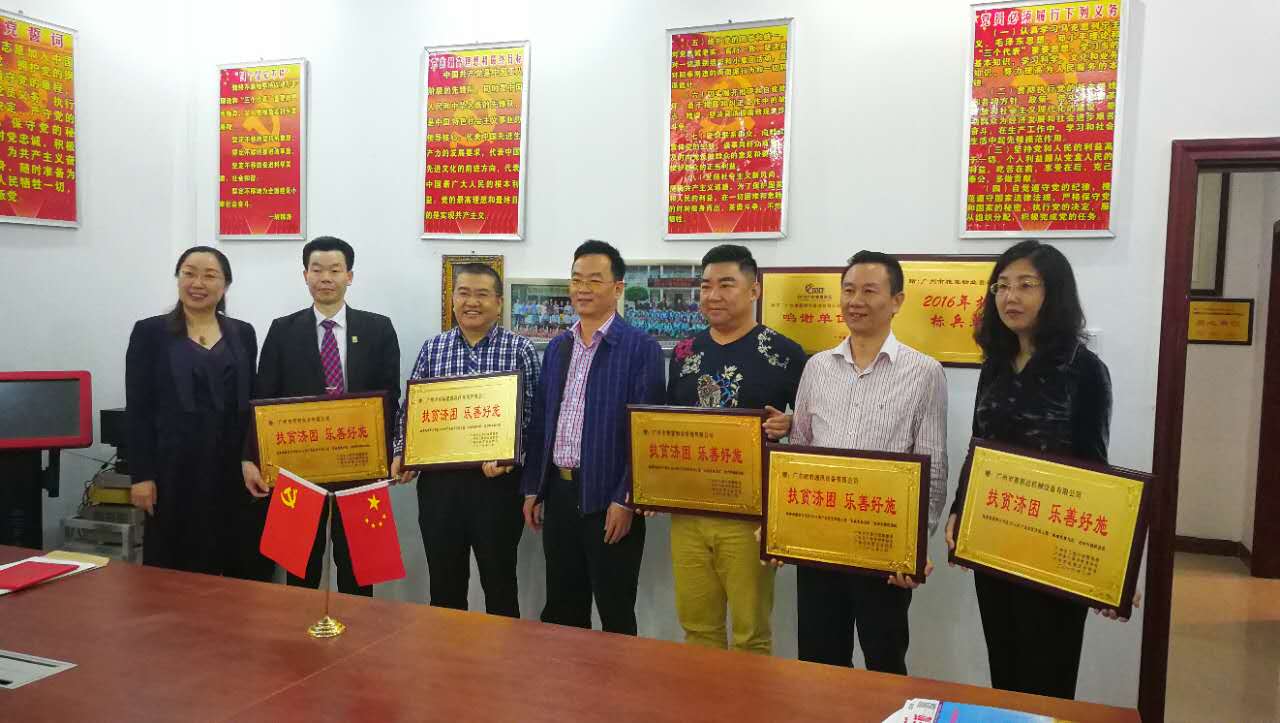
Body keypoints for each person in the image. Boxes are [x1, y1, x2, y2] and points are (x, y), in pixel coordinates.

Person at [944, 240, 1122, 700]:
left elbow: (1095, 470)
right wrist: (960, 510)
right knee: (1005, 669)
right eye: (1002, 286)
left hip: (1053, 546)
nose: (1011, 297)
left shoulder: (1085, 370)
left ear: (1054, 293)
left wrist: (1109, 565)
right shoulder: (995, 365)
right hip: (994, 537)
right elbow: (978, 445)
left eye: (1026, 285)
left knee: (1048, 676)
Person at [786, 250, 948, 675]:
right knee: (819, 662)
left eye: (870, 291)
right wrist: (786, 529)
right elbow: (799, 450)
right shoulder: (816, 367)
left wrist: (913, 548)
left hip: (883, 544)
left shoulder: (924, 372)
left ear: (896, 301)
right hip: (820, 541)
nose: (855, 301)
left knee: (884, 661)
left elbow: (932, 468)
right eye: (849, 290)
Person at [663, 245, 807, 654]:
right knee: (697, 628)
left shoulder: (785, 354)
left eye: (726, 284)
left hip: (750, 517)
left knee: (750, 633)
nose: (713, 295)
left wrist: (792, 424)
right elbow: (667, 426)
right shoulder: (685, 352)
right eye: (706, 286)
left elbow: (814, 430)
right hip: (689, 512)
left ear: (754, 290)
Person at [521, 240, 665, 635]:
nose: (582, 289)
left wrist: (626, 498)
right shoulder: (558, 347)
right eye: (576, 279)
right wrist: (534, 488)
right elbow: (542, 423)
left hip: (608, 499)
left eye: (594, 280)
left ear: (617, 288)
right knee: (562, 610)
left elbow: (647, 434)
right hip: (560, 495)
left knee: (615, 612)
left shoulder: (641, 348)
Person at [242, 236, 401, 594]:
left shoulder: (378, 329)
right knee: (299, 568)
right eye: (317, 270)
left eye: (335, 270)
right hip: (297, 468)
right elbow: (263, 400)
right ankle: (301, 632)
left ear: (350, 276)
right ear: (305, 275)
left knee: (360, 569)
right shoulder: (282, 330)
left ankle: (357, 629)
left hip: (361, 466)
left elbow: (391, 398)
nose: (325, 278)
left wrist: (393, 453)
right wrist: (250, 457)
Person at [390, 263, 540, 617]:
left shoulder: (520, 348)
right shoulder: (433, 348)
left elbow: (535, 417)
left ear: (499, 303)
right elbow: (411, 410)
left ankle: (502, 653)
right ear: (453, 299)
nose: (472, 302)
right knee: (444, 587)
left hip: (497, 486)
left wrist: (511, 458)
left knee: (500, 585)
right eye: (464, 293)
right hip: (440, 487)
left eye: (482, 294)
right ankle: (447, 652)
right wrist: (403, 452)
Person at [126, 246, 265, 578]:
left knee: (235, 560)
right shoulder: (150, 333)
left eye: (209, 275)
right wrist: (141, 475)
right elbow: (138, 409)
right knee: (174, 567)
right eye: (189, 273)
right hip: (172, 469)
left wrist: (251, 458)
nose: (197, 283)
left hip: (231, 469)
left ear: (225, 284)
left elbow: (252, 403)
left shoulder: (243, 333)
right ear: (178, 279)